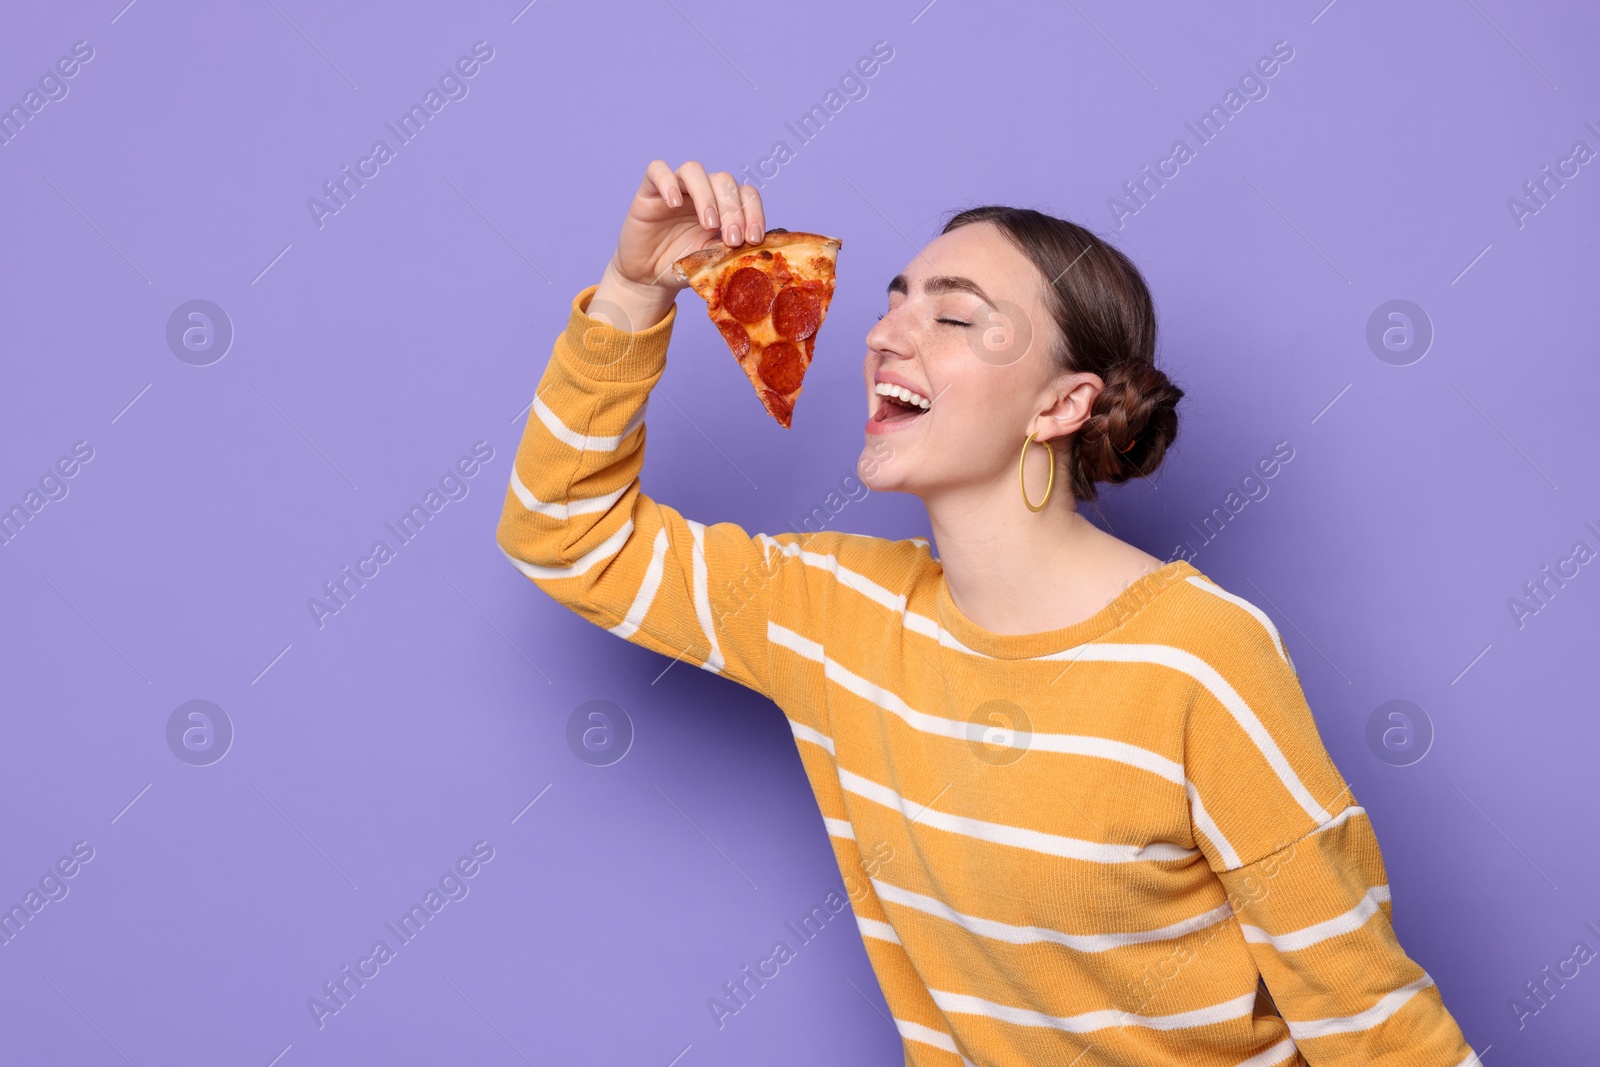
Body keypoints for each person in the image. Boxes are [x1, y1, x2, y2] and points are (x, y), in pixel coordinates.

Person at [495, 159, 1479, 1066]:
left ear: (1059, 406)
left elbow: (1366, 1009)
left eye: (956, 319)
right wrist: (634, 292)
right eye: (892, 307)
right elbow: (568, 533)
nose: (883, 333)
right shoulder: (832, 611)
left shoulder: (1198, 656)